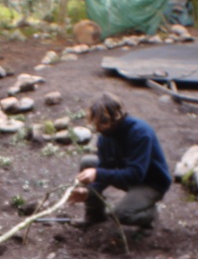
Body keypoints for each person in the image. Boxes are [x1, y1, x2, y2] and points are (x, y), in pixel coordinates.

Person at [69, 92, 172, 229]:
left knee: (121, 215)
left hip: (150, 183)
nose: (97, 128)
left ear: (116, 117)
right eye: (96, 123)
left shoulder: (140, 133)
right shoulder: (105, 136)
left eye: (102, 123)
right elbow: (106, 167)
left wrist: (97, 174)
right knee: (88, 163)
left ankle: (150, 214)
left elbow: (135, 175)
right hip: (127, 174)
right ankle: (95, 215)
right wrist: (89, 191)